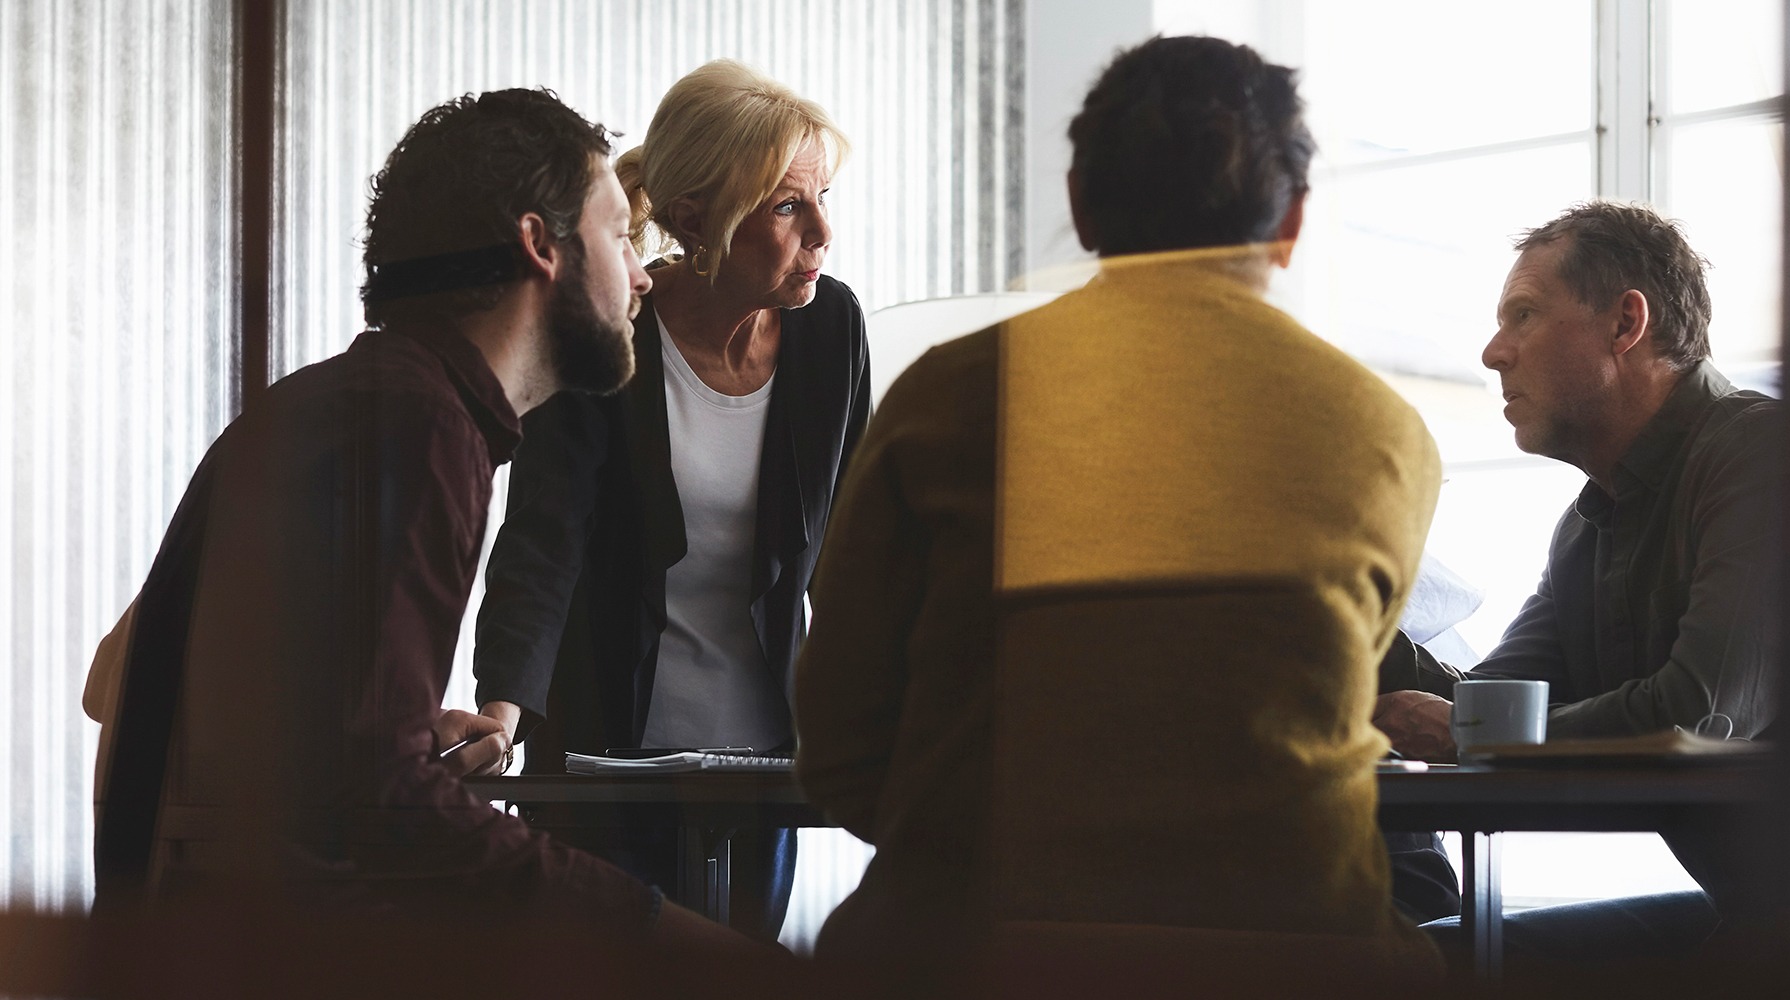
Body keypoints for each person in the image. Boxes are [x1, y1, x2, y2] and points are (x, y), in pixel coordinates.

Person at [792, 35, 1444, 983]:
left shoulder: (946, 398)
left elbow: (842, 744)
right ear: (1293, 219)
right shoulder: (1385, 434)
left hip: (972, 953)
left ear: (1082, 204)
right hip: (1297, 958)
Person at [93, 88, 744, 946]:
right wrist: (658, 933)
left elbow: (117, 676)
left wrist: (370, 721)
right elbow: (387, 805)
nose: (641, 273)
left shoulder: (343, 400)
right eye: (621, 234)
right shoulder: (419, 427)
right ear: (540, 245)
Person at [1373, 200, 1790, 961]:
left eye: (1524, 315)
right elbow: (1487, 707)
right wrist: (1339, 612)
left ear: (1626, 324)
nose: (1493, 352)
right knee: (1435, 960)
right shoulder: (1588, 527)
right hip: (1775, 918)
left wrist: (1467, 731)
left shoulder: (1767, 455)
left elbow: (1703, 714)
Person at [471, 60, 868, 939]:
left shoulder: (831, 328)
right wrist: (501, 705)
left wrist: (890, 716)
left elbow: (850, 551)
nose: (824, 232)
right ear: (696, 222)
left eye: (823, 198)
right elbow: (544, 540)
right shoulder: (614, 328)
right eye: (788, 206)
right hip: (603, 745)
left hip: (763, 757)